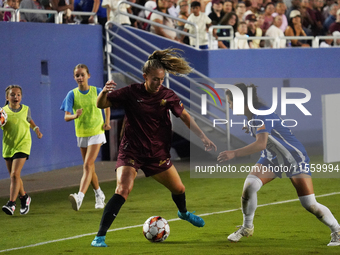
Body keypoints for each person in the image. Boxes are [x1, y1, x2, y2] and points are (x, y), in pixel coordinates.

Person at [91, 48, 217, 247]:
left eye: (162, 79)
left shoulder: (168, 95)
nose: (159, 83)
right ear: (145, 77)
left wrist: (203, 137)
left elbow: (184, 116)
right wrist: (104, 92)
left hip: (156, 153)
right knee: (123, 189)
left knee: (179, 188)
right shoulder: (132, 92)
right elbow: (101, 104)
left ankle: (183, 213)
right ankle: (100, 236)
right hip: (131, 150)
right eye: (155, 79)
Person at [218, 83, 340, 247]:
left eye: (230, 102)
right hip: (272, 159)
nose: (230, 106)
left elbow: (261, 144)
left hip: (294, 159)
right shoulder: (254, 115)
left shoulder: (261, 114)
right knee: (250, 186)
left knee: (309, 204)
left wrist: (234, 153)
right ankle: (247, 228)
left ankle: (337, 231)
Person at [60, 64, 111, 211]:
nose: (80, 77)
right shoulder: (72, 94)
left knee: (87, 165)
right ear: (74, 77)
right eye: (77, 75)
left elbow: (107, 105)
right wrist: (75, 115)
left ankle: (79, 197)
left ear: (88, 76)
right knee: (90, 168)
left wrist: (107, 122)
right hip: (82, 134)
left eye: (82, 74)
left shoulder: (97, 91)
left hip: (96, 131)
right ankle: (99, 194)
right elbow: (66, 117)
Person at [1, 85, 43, 216]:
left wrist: (36, 129)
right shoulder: (3, 112)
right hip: (8, 146)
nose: (16, 97)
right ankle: (24, 197)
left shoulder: (26, 109)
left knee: (14, 174)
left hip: (23, 144)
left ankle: (11, 203)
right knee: (15, 177)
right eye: (12, 95)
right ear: (7, 97)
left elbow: (29, 120)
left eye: (18, 94)